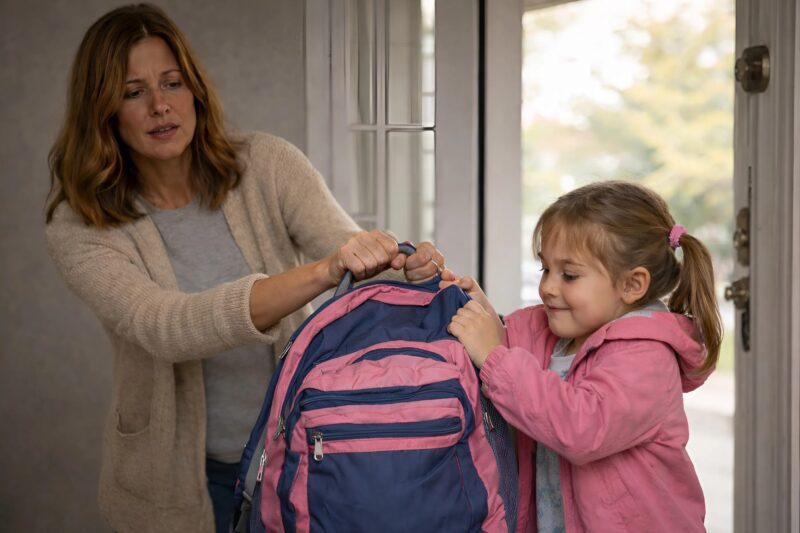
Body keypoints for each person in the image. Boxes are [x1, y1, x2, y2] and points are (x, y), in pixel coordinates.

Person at [44, 4, 444, 532]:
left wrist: (408, 266)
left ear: (196, 91)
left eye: (173, 83)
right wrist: (321, 273)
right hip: (179, 479)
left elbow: (352, 252)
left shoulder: (267, 165)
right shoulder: (78, 225)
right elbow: (166, 327)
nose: (161, 106)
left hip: (298, 447)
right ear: (103, 110)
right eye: (133, 92)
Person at [441, 180, 721, 532]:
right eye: (545, 269)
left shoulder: (646, 356)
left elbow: (582, 428)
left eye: (569, 275)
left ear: (632, 285)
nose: (548, 287)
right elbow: (504, 343)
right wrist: (472, 306)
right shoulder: (555, 330)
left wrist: (494, 356)